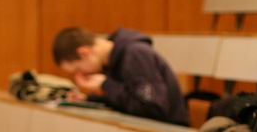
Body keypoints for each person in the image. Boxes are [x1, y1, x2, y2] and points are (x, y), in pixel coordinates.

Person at [52, 26, 189, 126]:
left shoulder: (136, 54)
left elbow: (153, 108)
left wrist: (106, 85)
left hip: (167, 130)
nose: (80, 75)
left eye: (78, 69)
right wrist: (88, 100)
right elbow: (128, 99)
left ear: (84, 52)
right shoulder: (112, 60)